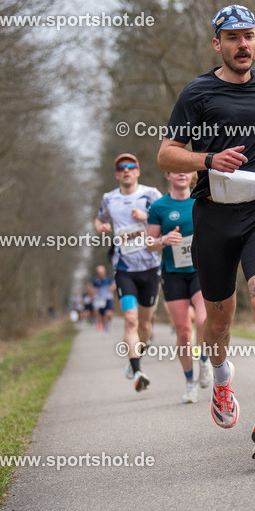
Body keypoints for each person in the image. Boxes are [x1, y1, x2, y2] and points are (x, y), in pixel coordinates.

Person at [157, 4, 255, 459]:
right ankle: (222, 379)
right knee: (218, 322)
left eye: (250, 36)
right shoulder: (198, 93)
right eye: (233, 38)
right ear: (217, 44)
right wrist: (207, 160)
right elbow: (166, 153)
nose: (243, 45)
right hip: (214, 215)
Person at [94, 153, 163, 393]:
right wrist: (101, 226)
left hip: (151, 267)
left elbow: (169, 217)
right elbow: (99, 218)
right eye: (121, 167)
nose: (126, 170)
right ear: (116, 174)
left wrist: (147, 217)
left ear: (137, 171)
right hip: (124, 269)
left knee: (146, 323)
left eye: (130, 166)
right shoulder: (109, 198)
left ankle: (136, 358)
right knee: (131, 319)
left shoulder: (151, 194)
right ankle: (137, 370)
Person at [147, 171, 214, 404]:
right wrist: (163, 240)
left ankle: (204, 360)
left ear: (193, 174)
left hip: (199, 270)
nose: (182, 174)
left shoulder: (201, 199)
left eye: (186, 170)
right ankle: (189, 381)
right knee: (184, 332)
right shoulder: (158, 207)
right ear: (167, 175)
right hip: (173, 274)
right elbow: (149, 244)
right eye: (176, 170)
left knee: (204, 320)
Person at [92, 265, 115, 334]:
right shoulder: (96, 281)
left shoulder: (109, 279)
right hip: (100, 300)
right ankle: (106, 327)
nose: (101, 274)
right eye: (99, 272)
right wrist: (94, 292)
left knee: (109, 314)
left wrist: (111, 288)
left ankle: (109, 324)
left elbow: (114, 285)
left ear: (104, 272)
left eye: (102, 272)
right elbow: (93, 289)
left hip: (108, 299)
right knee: (102, 316)